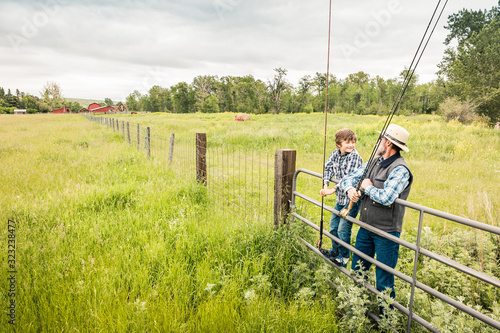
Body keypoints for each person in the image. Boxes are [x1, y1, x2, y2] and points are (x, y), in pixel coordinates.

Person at [339, 123, 413, 300]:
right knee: (357, 270)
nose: (379, 141)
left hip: (386, 232)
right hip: (365, 227)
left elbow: (387, 197)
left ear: (387, 143)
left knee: (384, 280)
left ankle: (385, 320)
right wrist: (350, 189)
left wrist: (367, 187)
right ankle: (355, 306)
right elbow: (348, 178)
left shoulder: (400, 169)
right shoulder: (373, 162)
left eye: (381, 138)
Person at [319, 128, 363, 267]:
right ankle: (335, 252)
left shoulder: (355, 157)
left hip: (351, 201)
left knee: (342, 229)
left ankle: (343, 257)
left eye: (353, 142)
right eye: (347, 142)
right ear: (339, 144)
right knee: (333, 227)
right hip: (340, 199)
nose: (351, 145)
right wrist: (326, 185)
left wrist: (333, 189)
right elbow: (328, 168)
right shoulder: (335, 154)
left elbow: (349, 179)